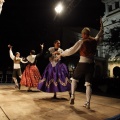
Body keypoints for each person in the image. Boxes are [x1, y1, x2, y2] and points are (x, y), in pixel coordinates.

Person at [58, 18, 104, 108]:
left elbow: (71, 50)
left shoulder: (81, 41)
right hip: (91, 64)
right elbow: (100, 33)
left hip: (82, 63)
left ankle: (72, 96)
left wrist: (61, 54)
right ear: (89, 34)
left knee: (74, 79)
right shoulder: (94, 40)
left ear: (83, 34)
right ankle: (88, 103)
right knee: (88, 84)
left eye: (82, 34)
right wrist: (101, 25)